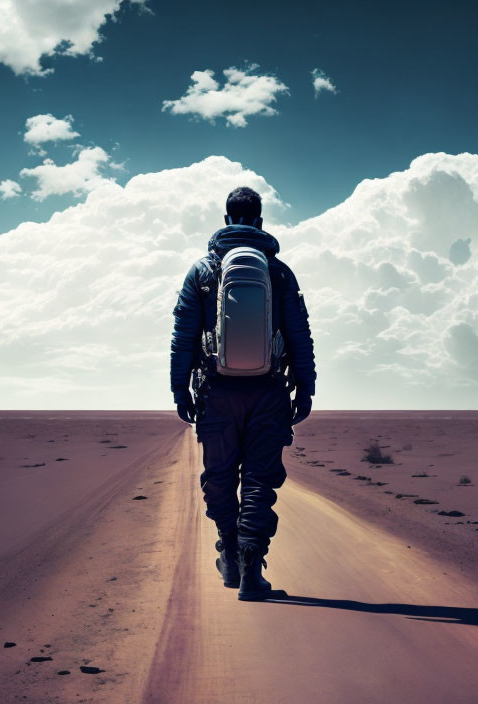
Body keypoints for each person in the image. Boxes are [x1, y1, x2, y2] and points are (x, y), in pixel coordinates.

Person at [170, 186, 316, 601]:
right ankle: (253, 569)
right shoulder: (280, 272)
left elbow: (183, 336)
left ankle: (229, 555)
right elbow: (299, 335)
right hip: (269, 393)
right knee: (257, 479)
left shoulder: (201, 271)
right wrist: (305, 387)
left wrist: (180, 389)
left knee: (220, 475)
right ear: (260, 222)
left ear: (226, 218)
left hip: (216, 392)